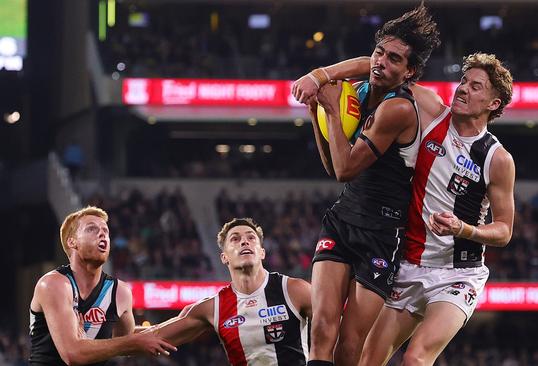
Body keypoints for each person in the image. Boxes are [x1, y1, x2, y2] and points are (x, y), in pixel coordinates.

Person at [296, 52, 515, 365]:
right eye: (464, 81)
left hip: (457, 274)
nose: (463, 89)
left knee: (415, 358)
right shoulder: (431, 112)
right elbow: (378, 68)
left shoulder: (497, 158)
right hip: (408, 264)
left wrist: (463, 229)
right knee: (366, 358)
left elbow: (504, 230)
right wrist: (319, 75)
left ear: (494, 104)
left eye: (476, 87)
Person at [300, 5, 441, 366]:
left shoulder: (399, 109)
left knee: (350, 344)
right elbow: (333, 166)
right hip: (343, 219)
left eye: (394, 59)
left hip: (382, 233)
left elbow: (346, 168)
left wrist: (331, 110)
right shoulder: (359, 92)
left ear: (409, 73)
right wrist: (316, 114)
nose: (381, 62)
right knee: (321, 327)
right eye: (380, 52)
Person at [144, 217, 312, 366]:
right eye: (235, 239)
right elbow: (154, 335)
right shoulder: (213, 307)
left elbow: (335, 321)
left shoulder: (293, 290)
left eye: (251, 238)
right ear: (224, 257)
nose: (245, 242)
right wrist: (118, 341)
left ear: (262, 253)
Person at [29, 206, 176, 365]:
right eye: (91, 229)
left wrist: (193, 318)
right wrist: (132, 342)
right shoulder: (53, 284)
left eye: (105, 230)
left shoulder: (120, 292)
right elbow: (73, 354)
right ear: (72, 242)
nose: (102, 233)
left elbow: (128, 338)